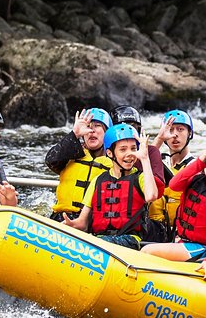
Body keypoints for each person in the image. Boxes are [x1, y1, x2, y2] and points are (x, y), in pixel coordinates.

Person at [141, 140, 206, 281]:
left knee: (147, 251)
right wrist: (199, 162)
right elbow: (174, 185)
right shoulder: (195, 180)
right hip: (183, 241)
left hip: (203, 249)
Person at [63, 124, 158, 250]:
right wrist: (70, 225)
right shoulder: (98, 181)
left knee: (99, 244)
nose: (130, 154)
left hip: (130, 240)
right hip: (99, 239)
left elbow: (151, 195)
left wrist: (145, 159)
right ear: (110, 153)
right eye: (123, 149)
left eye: (133, 149)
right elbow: (83, 223)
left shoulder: (140, 177)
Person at [45, 108, 113, 222]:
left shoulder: (115, 161)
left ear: (107, 132)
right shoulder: (72, 152)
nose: (91, 130)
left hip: (93, 222)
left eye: (97, 126)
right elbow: (51, 160)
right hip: (63, 217)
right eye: (88, 126)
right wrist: (74, 134)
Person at [110, 104, 166, 241]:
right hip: (114, 220)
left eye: (133, 127)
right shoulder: (107, 156)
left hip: (147, 223)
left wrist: (144, 157)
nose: (129, 131)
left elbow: (154, 191)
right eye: (123, 127)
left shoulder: (150, 153)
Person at [149, 109, 195, 241]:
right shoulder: (157, 161)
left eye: (180, 129)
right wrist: (159, 138)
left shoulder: (198, 166)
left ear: (190, 133)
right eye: (171, 130)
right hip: (154, 229)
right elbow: (140, 164)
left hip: (181, 233)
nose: (174, 135)